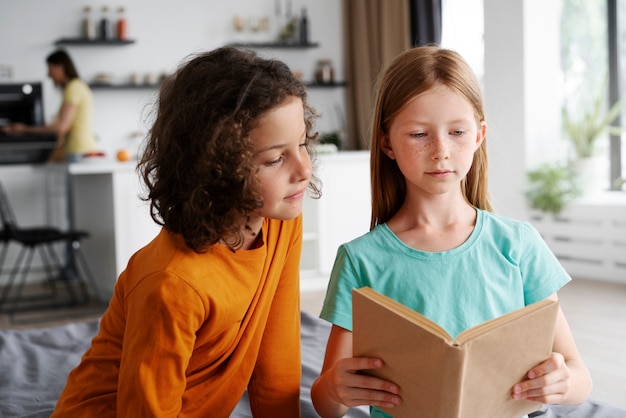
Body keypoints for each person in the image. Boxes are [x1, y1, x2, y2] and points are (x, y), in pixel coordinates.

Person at [310, 46, 593, 418]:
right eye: (418, 135)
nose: (441, 151)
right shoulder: (361, 259)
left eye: (457, 132)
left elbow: (579, 378)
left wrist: (562, 383)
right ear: (386, 143)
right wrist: (334, 388)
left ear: (480, 135)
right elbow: (327, 404)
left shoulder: (518, 244)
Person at [51, 46, 320, 417]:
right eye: (275, 158)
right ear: (216, 167)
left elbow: (277, 358)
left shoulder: (281, 223)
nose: (304, 168)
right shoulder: (173, 282)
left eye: (302, 143)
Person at [1, 49, 97, 161]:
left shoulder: (73, 87)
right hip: (81, 149)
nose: (49, 75)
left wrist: (24, 129)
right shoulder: (78, 86)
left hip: (78, 149)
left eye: (50, 69)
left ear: (61, 67)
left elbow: (61, 127)